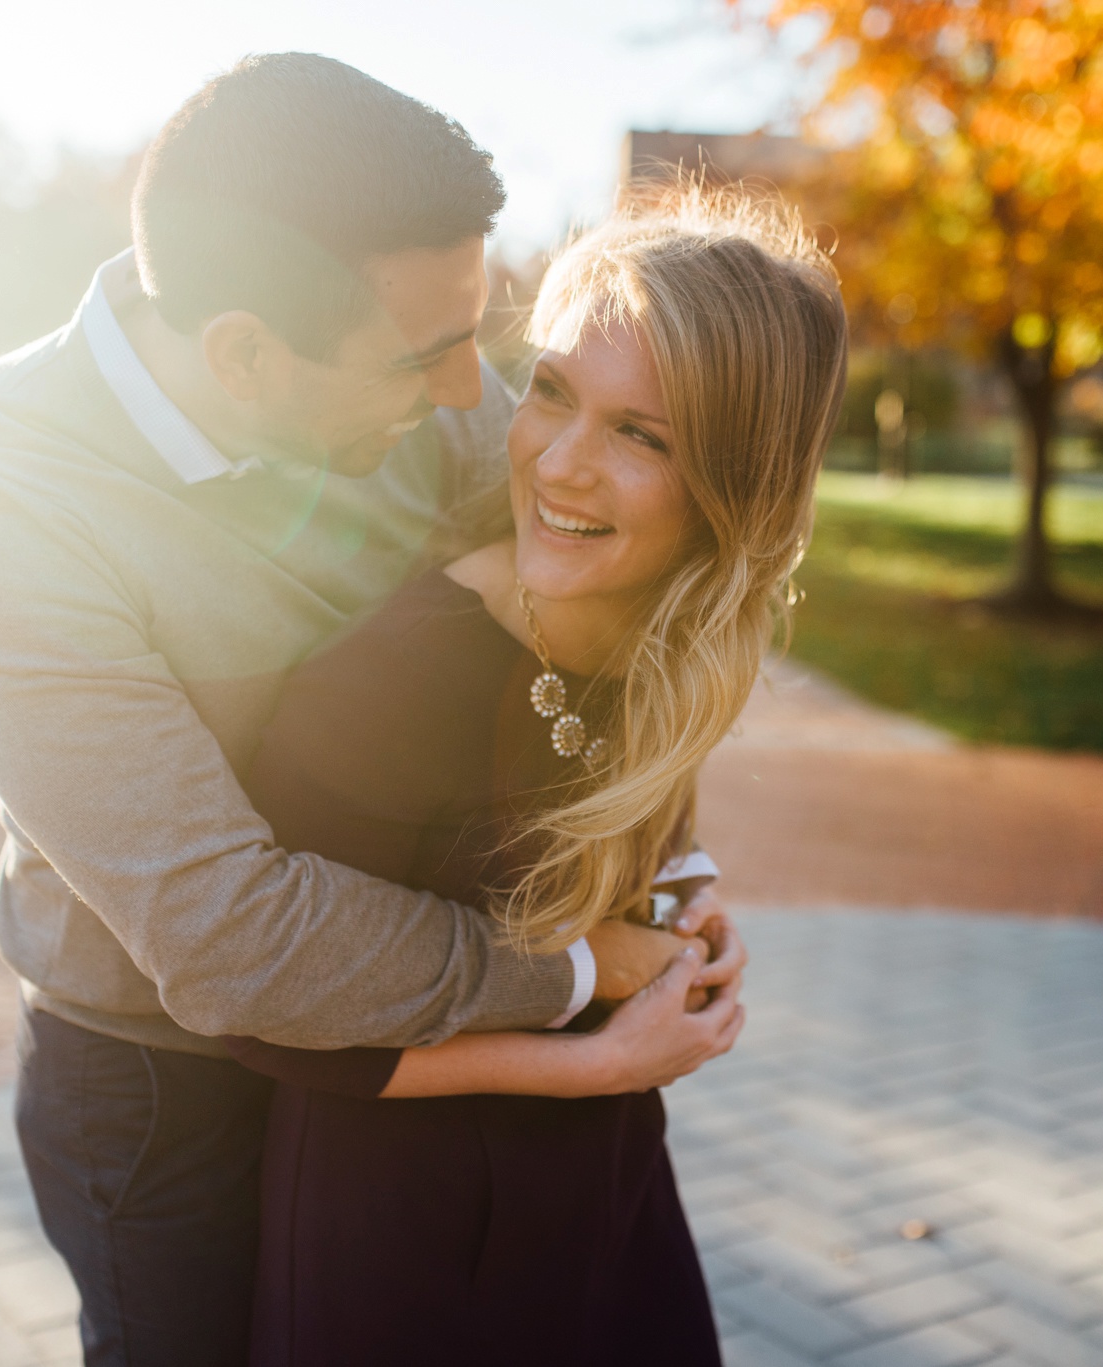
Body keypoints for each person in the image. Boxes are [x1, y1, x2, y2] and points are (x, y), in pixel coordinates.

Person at [0, 54, 741, 1365]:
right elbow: (233, 939)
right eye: (429, 354)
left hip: (398, 1061)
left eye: (480, 330)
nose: (478, 397)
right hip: (163, 1089)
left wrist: (667, 864)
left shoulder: (421, 404)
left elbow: (591, 601)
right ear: (245, 352)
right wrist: (576, 972)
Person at [224, 190, 850, 1367]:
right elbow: (272, 1025)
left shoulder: (655, 629)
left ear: (737, 484)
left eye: (641, 434)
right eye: (551, 391)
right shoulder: (389, 681)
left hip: (602, 1194)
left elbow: (632, 813)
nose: (560, 463)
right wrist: (597, 1055)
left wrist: (685, 889)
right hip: (402, 1239)